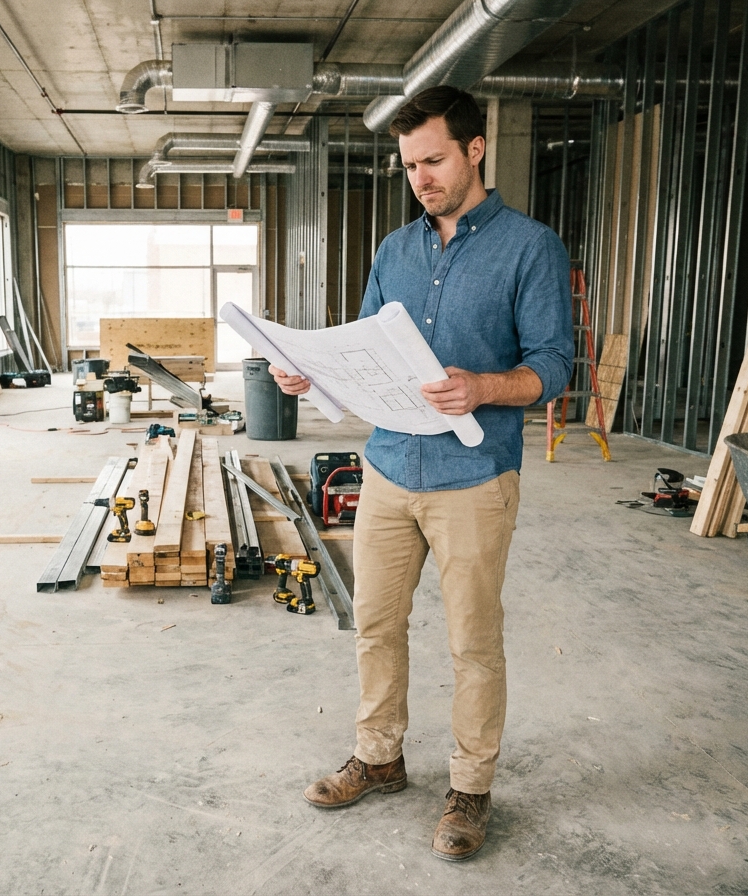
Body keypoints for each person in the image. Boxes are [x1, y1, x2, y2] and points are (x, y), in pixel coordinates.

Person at [271, 86, 573, 861]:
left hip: (474, 476)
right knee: (374, 623)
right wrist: (312, 375)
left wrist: (483, 385)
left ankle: (470, 789)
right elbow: (367, 346)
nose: (421, 178)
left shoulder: (530, 247)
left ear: (475, 150)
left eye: (434, 160)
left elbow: (554, 365)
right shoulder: (394, 250)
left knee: (473, 642)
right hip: (387, 469)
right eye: (409, 165)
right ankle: (379, 758)